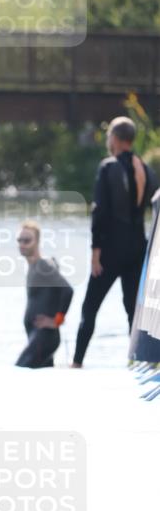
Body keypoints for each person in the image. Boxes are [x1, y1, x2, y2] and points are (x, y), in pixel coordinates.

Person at [72, 117, 160, 367]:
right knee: (133, 311)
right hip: (138, 249)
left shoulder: (108, 167)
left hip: (111, 250)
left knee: (90, 308)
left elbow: (99, 211)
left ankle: (77, 363)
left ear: (116, 138)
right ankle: (140, 363)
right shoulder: (147, 170)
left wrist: (95, 251)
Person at [15, 221, 73, 368]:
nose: (22, 244)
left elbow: (67, 290)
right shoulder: (34, 266)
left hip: (45, 336)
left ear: (37, 242)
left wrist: (57, 320)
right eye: (19, 240)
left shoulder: (43, 266)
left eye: (27, 240)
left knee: (18, 371)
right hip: (37, 336)